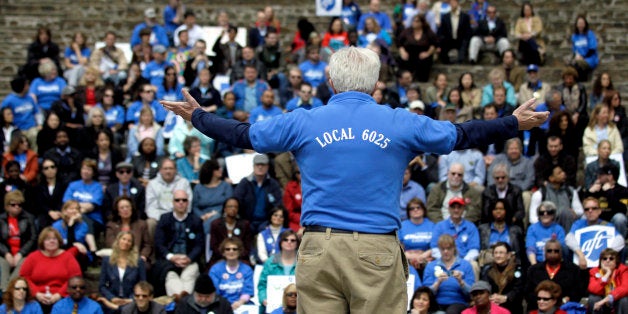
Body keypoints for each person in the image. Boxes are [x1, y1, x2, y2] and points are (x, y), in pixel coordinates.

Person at [161, 46, 548, 313]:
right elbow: (463, 135)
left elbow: (243, 136)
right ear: (375, 83)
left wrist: (198, 117)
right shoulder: (399, 121)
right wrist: (512, 122)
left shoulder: (304, 121)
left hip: (317, 249)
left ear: (330, 82)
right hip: (375, 252)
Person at [153, 189, 203, 297]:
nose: (181, 203)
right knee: (171, 277)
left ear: (188, 203)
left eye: (184, 200)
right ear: (173, 202)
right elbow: (159, 243)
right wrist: (171, 257)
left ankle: (180, 300)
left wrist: (189, 258)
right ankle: (184, 300)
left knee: (189, 276)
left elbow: (199, 245)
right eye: (177, 200)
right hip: (170, 260)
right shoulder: (164, 219)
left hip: (189, 259)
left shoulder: (196, 220)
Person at [19, 227, 82, 312]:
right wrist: (36, 293)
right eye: (48, 239)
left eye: (54, 239)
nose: (52, 241)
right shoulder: (33, 257)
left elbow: (75, 278)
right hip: (36, 297)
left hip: (63, 297)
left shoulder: (68, 257)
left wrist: (59, 295)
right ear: (42, 242)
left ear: (59, 241)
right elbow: (24, 277)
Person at [525, 240, 588, 311]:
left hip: (564, 308)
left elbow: (578, 292)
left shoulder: (572, 269)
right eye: (549, 251)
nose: (552, 253)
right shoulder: (534, 270)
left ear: (561, 253)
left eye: (556, 251)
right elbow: (528, 293)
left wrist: (563, 301)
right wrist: (543, 301)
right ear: (545, 252)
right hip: (538, 307)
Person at [565, 197, 624, 269]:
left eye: (594, 208)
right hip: (582, 262)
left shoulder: (607, 225)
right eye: (587, 209)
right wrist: (580, 255)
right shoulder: (578, 224)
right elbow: (569, 238)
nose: (590, 211)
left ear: (599, 211)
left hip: (603, 264)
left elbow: (620, 240)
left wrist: (606, 255)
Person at [423, 234, 475, 314]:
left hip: (458, 302)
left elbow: (472, 294)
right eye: (442, 249)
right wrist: (437, 283)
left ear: (454, 248)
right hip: (436, 303)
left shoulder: (465, 265)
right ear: (439, 249)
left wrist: (461, 282)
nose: (445, 251)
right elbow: (426, 294)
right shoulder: (431, 266)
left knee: (451, 312)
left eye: (448, 248)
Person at [233, 154, 283, 233]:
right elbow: (236, 200)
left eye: (263, 165)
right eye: (257, 164)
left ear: (267, 167)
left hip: (266, 221)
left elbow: (278, 204)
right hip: (246, 220)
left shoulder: (273, 184)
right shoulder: (245, 182)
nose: (260, 167)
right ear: (253, 166)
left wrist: (271, 221)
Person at [98, 231, 146, 311]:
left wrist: (131, 299)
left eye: (129, 241)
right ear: (118, 240)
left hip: (132, 301)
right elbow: (102, 286)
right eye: (124, 239)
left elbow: (143, 284)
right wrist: (112, 298)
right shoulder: (107, 260)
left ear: (132, 244)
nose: (126, 242)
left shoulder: (139, 261)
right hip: (112, 301)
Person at [0, 191, 37, 292]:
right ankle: (6, 291)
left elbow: (33, 238)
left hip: (23, 253)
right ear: (7, 206)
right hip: (4, 253)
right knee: (2, 265)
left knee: (23, 264)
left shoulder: (29, 218)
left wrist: (21, 253)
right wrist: (6, 253)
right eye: (13, 204)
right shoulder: (1, 219)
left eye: (19, 205)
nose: (17, 207)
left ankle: (7, 291)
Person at [257, 230, 298, 313]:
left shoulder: (303, 262)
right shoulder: (270, 262)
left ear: (297, 243)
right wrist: (263, 299)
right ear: (280, 242)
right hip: (274, 307)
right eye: (285, 240)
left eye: (293, 240)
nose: (289, 242)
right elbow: (262, 285)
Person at [208, 238, 254, 310]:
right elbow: (214, 293)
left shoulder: (247, 269)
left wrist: (239, 302)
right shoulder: (215, 269)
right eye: (228, 249)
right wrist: (226, 305)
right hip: (221, 305)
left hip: (241, 305)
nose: (231, 251)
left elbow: (248, 291)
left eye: (234, 249)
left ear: (239, 252)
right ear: (223, 252)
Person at [104, 196, 152, 264]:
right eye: (122, 208)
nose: (125, 209)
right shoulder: (111, 225)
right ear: (118, 211)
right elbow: (111, 243)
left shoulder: (141, 224)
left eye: (127, 207)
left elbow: (147, 245)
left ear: (131, 208)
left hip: (137, 258)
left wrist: (143, 256)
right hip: (118, 257)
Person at [479, 242, 524, 314]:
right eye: (495, 253)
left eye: (501, 253)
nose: (498, 255)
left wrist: (506, 298)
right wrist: (492, 298)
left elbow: (519, 289)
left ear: (508, 255)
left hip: (512, 305)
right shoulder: (489, 271)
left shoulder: (517, 270)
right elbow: (484, 286)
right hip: (493, 305)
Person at [478, 200, 525, 266]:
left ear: (506, 211)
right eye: (495, 209)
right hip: (489, 265)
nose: (498, 211)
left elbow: (519, 253)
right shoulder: (482, 229)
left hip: (511, 265)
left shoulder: (516, 230)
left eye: (501, 209)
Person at [52, 200, 96, 270]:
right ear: (65, 211)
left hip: (78, 255)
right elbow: (58, 243)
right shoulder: (56, 225)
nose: (74, 211)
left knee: (74, 249)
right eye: (71, 209)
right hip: (61, 252)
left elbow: (72, 242)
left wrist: (70, 225)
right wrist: (71, 243)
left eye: (77, 209)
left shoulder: (83, 225)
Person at [192, 160, 233, 234]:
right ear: (211, 171)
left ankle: (206, 244)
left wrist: (215, 213)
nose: (221, 170)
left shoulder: (226, 186)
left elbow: (230, 204)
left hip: (222, 215)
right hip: (203, 216)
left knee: (213, 222)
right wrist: (202, 216)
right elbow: (195, 206)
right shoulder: (198, 188)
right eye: (217, 168)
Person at [209, 198, 253, 266]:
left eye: (236, 207)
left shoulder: (245, 224)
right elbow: (214, 246)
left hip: (240, 258)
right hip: (220, 258)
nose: (233, 209)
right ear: (225, 209)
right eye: (230, 206)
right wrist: (227, 256)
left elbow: (247, 247)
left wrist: (235, 256)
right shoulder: (216, 224)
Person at [481, 163, 526, 228]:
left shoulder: (516, 191)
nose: (500, 180)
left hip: (512, 224)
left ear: (508, 178)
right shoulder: (487, 192)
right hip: (492, 224)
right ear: (494, 179)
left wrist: (511, 220)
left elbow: (520, 212)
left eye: (503, 177)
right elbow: (486, 213)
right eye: (497, 178)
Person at [28, 158, 67, 228]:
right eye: (46, 168)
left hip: (61, 213)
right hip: (44, 215)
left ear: (56, 169)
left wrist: (58, 212)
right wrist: (49, 212)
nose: (50, 170)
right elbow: (39, 203)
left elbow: (65, 200)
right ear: (42, 171)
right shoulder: (38, 187)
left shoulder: (64, 185)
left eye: (52, 167)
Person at [587, 248, 628, 313]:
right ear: (601, 261)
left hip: (616, 302)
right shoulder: (594, 271)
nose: (607, 261)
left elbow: (625, 288)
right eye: (604, 258)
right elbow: (593, 289)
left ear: (616, 261)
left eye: (611, 259)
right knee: (593, 298)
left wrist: (607, 299)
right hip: (602, 304)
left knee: (624, 300)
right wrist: (607, 275)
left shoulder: (623, 270)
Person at [525, 202, 566, 266]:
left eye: (549, 212)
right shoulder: (532, 228)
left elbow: (561, 250)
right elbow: (530, 249)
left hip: (555, 262)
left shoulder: (559, 229)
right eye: (542, 212)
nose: (545, 214)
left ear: (553, 215)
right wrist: (535, 267)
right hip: (538, 262)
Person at [400, 198, 434, 269]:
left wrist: (423, 256)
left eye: (418, 207)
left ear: (423, 210)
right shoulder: (402, 226)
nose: (415, 210)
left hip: (427, 259)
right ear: (408, 212)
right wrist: (412, 257)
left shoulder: (432, 226)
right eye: (412, 208)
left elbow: (435, 247)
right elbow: (398, 249)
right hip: (407, 260)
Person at [437, 0, 471, 64]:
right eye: (451, 3)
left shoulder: (465, 17)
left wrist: (466, 40)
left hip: (461, 39)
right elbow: (441, 31)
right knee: (443, 45)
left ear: (457, 3)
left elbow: (468, 31)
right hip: (449, 39)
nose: (453, 4)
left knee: (463, 46)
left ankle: (460, 61)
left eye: (454, 2)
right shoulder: (445, 17)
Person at [568, 15, 598, 82]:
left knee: (579, 65)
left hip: (589, 58)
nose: (580, 25)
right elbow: (574, 50)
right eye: (579, 23)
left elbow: (592, 49)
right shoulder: (574, 36)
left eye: (582, 23)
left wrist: (583, 57)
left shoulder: (590, 34)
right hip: (579, 58)